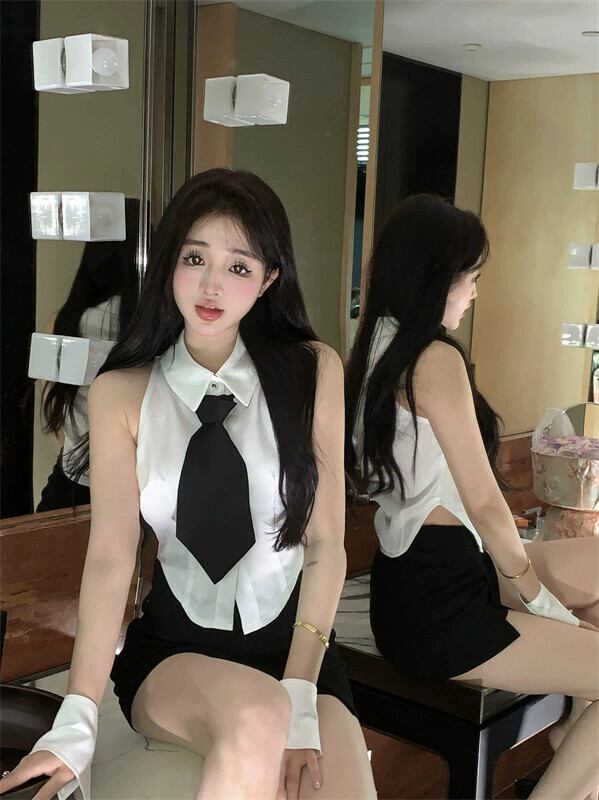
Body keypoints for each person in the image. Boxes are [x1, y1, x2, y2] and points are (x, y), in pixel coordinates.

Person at [2, 169, 376, 800]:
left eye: (238, 266)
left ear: (270, 279)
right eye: (194, 258)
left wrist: (300, 689)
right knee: (257, 718)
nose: (211, 285)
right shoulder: (123, 394)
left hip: (295, 647)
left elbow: (325, 544)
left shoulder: (312, 373)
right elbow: (111, 558)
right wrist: (77, 715)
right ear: (168, 262)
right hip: (175, 653)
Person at [346, 194, 599, 800]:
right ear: (437, 277)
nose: (474, 292)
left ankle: (574, 729)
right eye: (471, 277)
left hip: (430, 577)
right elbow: (483, 500)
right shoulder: (431, 358)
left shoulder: (375, 347)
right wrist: (533, 595)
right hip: (441, 608)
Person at [37, 198, 140, 512]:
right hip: (132, 487)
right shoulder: (150, 328)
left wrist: (75, 452)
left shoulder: (63, 321)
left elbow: (51, 406)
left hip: (71, 481)